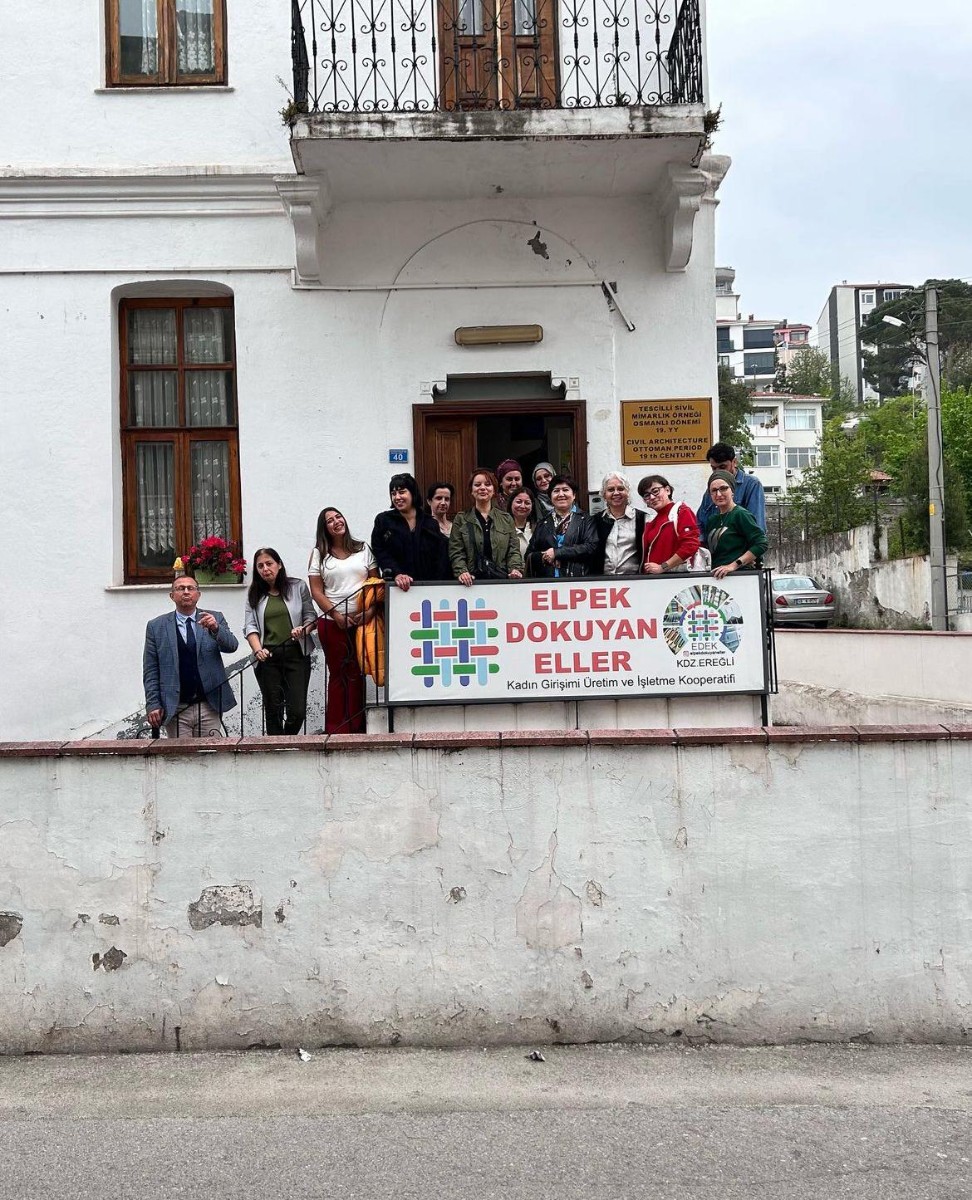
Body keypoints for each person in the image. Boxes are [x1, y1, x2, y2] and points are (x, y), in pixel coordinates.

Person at [143, 575, 239, 738]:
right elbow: (151, 669)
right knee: (180, 753)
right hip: (176, 707)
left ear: (198, 595)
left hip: (209, 705)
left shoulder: (214, 618)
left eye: (191, 588)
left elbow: (232, 646)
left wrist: (216, 629)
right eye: (180, 588)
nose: (186, 592)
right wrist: (153, 703)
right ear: (172, 596)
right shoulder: (156, 626)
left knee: (210, 751)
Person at [308, 507, 377, 734]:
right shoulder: (319, 553)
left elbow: (375, 583)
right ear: (324, 528)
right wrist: (336, 615)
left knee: (357, 672)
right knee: (339, 674)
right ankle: (337, 728)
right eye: (330, 520)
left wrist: (370, 611)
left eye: (338, 517)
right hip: (332, 622)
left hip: (362, 621)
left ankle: (357, 726)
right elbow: (317, 591)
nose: (336, 521)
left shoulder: (363, 548)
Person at [243, 548, 317, 736]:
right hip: (268, 657)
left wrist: (303, 630)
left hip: (296, 654)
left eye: (269, 564)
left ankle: (286, 741)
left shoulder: (298, 586)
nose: (265, 569)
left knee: (297, 711)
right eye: (260, 566)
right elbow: (250, 626)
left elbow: (311, 616)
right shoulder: (254, 593)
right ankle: (276, 746)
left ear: (279, 565)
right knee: (273, 710)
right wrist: (257, 650)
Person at [371, 473, 449, 591]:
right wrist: (397, 573)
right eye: (393, 493)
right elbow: (380, 551)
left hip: (428, 589)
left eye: (402, 492)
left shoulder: (430, 523)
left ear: (413, 493)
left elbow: (439, 559)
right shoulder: (383, 521)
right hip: (397, 588)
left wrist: (437, 585)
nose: (397, 497)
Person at [449, 468, 524, 586]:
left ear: (494, 490)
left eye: (488, 484)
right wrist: (462, 571)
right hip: (471, 582)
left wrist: (515, 569)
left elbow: (513, 550)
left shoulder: (506, 519)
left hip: (501, 581)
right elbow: (456, 551)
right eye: (477, 485)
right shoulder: (461, 519)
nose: (483, 488)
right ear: (471, 490)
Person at [525, 474, 599, 578]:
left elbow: (591, 547)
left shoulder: (585, 520)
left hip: (577, 581)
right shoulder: (543, 523)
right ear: (550, 496)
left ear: (574, 495)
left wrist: (557, 553)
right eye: (556, 491)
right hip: (547, 583)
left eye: (565, 490)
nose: (561, 494)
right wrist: (545, 556)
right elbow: (529, 554)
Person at [705, 470, 769, 579]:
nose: (718, 494)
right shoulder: (712, 520)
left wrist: (734, 565)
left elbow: (761, 543)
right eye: (714, 490)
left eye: (723, 488)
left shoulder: (740, 514)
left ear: (732, 491)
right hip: (718, 578)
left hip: (739, 577)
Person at [696, 441, 767, 538]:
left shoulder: (752, 484)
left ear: (734, 462)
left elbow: (757, 528)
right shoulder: (711, 489)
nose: (718, 472)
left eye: (722, 467)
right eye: (714, 468)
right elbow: (699, 524)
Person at [638, 474, 702, 574]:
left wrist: (663, 567)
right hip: (651, 579)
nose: (652, 497)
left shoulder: (682, 512)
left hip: (673, 579)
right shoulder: (650, 521)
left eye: (655, 491)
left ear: (667, 490)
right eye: (646, 495)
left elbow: (691, 545)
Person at [592, 471, 646, 575]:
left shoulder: (642, 519)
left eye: (621, 489)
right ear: (604, 494)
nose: (616, 493)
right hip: (602, 581)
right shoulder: (595, 520)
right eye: (610, 490)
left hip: (635, 580)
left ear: (628, 492)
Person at [507, 486, 537, 560]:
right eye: (518, 502)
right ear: (511, 503)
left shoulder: (538, 528)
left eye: (527, 503)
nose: (523, 506)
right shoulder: (502, 528)